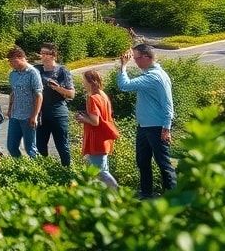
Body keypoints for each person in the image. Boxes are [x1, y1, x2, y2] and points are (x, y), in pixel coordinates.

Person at [116, 43, 176, 198]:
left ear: (146, 57)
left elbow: (124, 85)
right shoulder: (152, 74)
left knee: (163, 163)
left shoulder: (153, 77)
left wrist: (123, 66)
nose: (134, 61)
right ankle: (146, 192)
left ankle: (173, 196)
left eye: (136, 58)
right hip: (144, 126)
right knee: (143, 161)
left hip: (156, 127)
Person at [75, 69, 118, 189]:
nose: (83, 83)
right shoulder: (103, 95)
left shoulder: (93, 98)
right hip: (104, 138)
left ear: (90, 82)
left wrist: (82, 118)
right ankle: (107, 194)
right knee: (102, 169)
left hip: (96, 139)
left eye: (84, 80)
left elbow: (95, 121)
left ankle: (117, 192)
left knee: (99, 171)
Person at [35, 42, 75, 166]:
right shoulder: (37, 70)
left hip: (58, 113)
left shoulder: (62, 71)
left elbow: (71, 94)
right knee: (40, 146)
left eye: (46, 53)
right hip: (41, 114)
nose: (43, 56)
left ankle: (67, 174)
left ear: (53, 55)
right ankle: (44, 173)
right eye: (42, 53)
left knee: (62, 145)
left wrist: (56, 87)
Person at [5, 46, 43, 158]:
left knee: (30, 148)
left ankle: (36, 172)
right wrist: (9, 110)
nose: (11, 64)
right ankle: (21, 169)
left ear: (21, 58)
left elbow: (38, 95)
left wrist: (35, 116)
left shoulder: (33, 73)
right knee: (11, 147)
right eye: (10, 61)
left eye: (12, 61)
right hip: (15, 115)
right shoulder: (13, 74)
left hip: (28, 116)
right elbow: (13, 93)